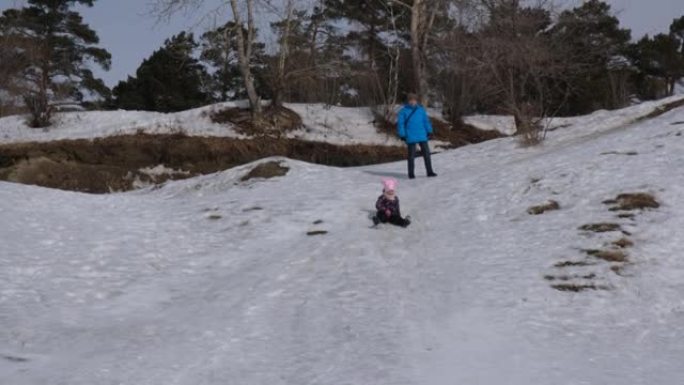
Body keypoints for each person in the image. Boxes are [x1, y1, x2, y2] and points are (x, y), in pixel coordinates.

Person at [397, 93, 437, 179]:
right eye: (410, 100)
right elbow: (400, 124)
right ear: (408, 101)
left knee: (427, 154)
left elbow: (426, 121)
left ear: (416, 101)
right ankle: (411, 174)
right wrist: (402, 134)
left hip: (422, 135)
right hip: (410, 135)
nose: (412, 101)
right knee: (411, 156)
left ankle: (429, 171)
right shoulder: (403, 111)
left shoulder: (421, 110)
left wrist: (429, 131)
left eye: (414, 100)